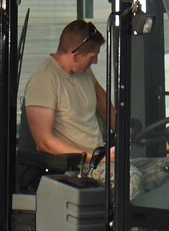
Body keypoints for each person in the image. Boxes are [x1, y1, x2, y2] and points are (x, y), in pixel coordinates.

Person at [24, 20, 109, 168]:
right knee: (131, 182)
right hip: (79, 168)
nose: (95, 61)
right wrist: (95, 159)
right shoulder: (44, 79)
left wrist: (127, 136)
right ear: (75, 56)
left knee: (161, 170)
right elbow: (44, 142)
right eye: (92, 56)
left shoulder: (85, 73)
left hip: (100, 160)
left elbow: (107, 110)